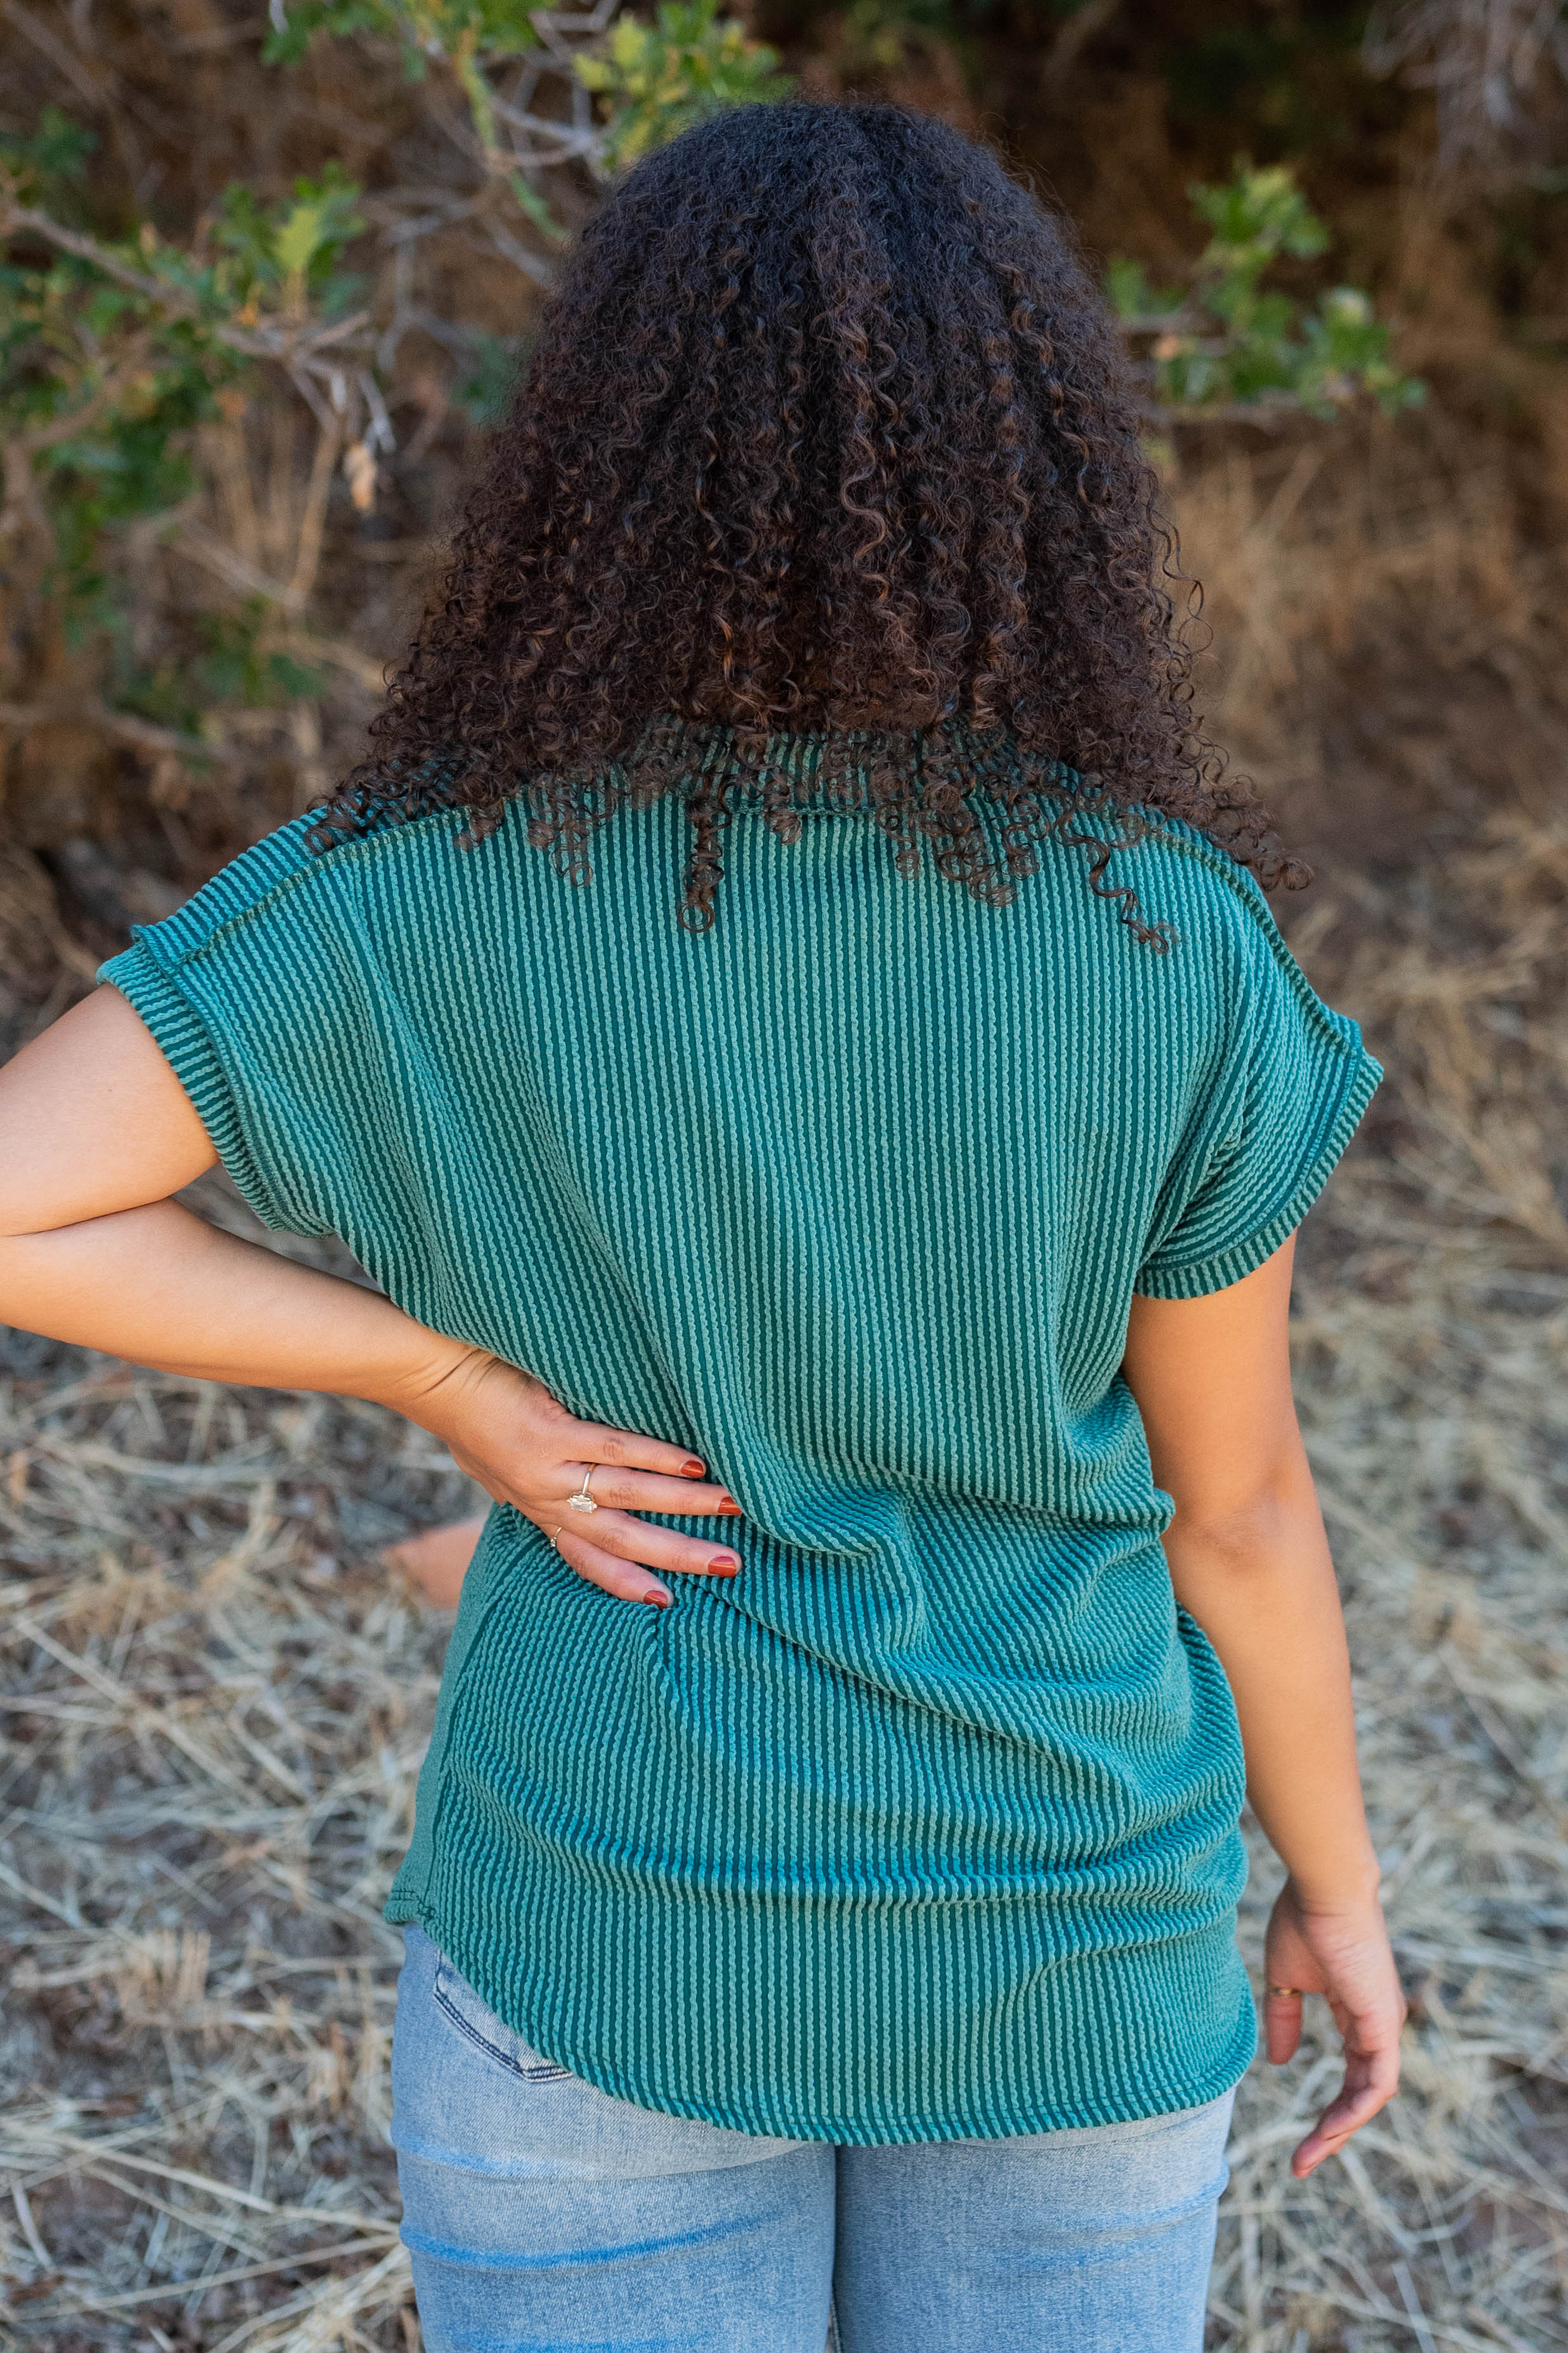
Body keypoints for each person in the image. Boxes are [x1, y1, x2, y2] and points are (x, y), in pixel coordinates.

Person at [0, 100, 1404, 2353]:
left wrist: (442, 1378)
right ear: (1029, 477)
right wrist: (1334, 1890)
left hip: (604, 1928)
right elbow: (1235, 1510)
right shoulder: (1162, 936)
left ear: (596, 461)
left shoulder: (419, 889)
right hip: (1061, 1947)